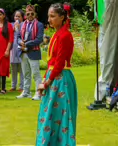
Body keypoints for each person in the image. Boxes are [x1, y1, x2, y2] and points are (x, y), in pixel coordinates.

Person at [36, 3, 78, 145]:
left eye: (53, 16)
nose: (49, 19)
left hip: (61, 80)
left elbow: (60, 63)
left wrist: (48, 81)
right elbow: (52, 62)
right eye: (49, 16)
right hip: (53, 76)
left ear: (62, 17)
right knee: (50, 113)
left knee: (60, 113)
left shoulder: (65, 35)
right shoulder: (57, 34)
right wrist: (45, 78)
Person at [16, 5, 44, 100]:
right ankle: (26, 92)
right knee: (26, 74)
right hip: (23, 52)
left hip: (34, 51)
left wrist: (26, 44)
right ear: (25, 15)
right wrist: (20, 42)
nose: (30, 15)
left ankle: (38, 93)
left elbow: (39, 39)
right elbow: (18, 36)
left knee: (36, 74)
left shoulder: (39, 25)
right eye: (28, 14)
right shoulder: (22, 24)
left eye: (32, 13)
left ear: (35, 14)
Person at [0, 8, 14, 94]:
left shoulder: (8, 25)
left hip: (4, 49)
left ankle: (3, 88)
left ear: (4, 15)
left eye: (0, 14)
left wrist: (7, 50)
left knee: (3, 68)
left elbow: (10, 39)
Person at [9, 10, 25, 92]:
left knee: (21, 68)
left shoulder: (24, 25)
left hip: (20, 47)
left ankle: (22, 86)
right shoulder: (11, 24)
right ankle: (13, 86)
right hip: (12, 48)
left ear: (22, 17)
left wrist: (18, 28)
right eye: (16, 16)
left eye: (19, 16)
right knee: (13, 68)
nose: (17, 18)